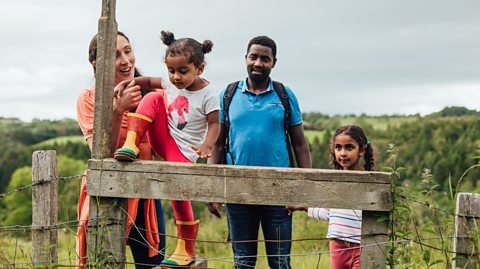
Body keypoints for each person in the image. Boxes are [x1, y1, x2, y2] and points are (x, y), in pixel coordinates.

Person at [113, 30, 220, 267]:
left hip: (184, 153)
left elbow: (215, 123)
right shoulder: (168, 83)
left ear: (199, 69)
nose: (175, 77)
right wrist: (127, 83)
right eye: (171, 71)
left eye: (183, 71)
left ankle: (186, 250)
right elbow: (146, 82)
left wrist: (206, 145)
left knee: (179, 199)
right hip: (164, 140)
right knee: (152, 98)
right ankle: (131, 144)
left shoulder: (208, 94)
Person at [208, 36, 311, 269]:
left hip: (279, 193)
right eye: (253, 57)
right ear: (245, 58)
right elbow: (218, 144)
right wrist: (213, 187)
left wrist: (306, 188)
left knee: (280, 263)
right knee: (243, 263)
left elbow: (300, 144)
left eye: (265, 59)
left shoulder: (284, 95)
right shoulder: (229, 93)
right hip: (239, 192)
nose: (258, 63)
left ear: (273, 63)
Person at [76, 31, 166, 269]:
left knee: (153, 265)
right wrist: (118, 111)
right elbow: (102, 155)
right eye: (115, 55)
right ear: (97, 63)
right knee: (104, 262)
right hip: (108, 196)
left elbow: (165, 151)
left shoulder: (153, 95)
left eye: (128, 50)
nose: (125, 60)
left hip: (147, 194)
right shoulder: (89, 98)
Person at [287, 125, 375, 269]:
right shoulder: (333, 181)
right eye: (338, 148)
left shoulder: (368, 181)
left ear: (362, 150)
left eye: (349, 147)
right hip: (337, 248)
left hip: (361, 248)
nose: (343, 153)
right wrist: (304, 207)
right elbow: (329, 213)